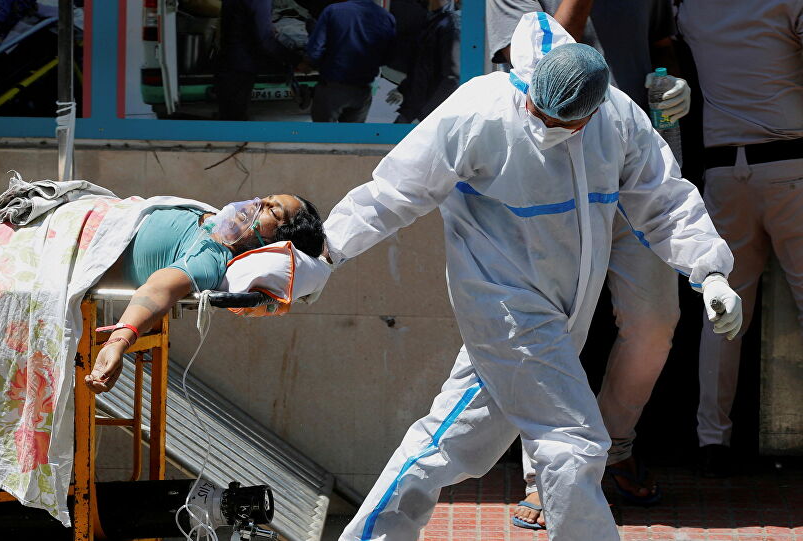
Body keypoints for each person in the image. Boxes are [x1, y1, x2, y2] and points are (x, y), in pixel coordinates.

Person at [322, 13, 741, 541]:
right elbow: (393, 193)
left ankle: (369, 536)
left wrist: (711, 272)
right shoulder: (479, 110)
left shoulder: (618, 117)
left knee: (446, 443)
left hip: (563, 314)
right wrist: (326, 251)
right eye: (538, 111)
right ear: (527, 81)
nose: (546, 126)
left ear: (591, 116)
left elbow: (664, 200)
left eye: (563, 122)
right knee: (574, 439)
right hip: (502, 305)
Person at [486, 0, 693, 527]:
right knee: (548, 326)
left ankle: (614, 445)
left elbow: (661, 51)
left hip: (636, 170)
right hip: (553, 176)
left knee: (654, 325)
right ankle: (550, 475)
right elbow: (532, 65)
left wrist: (674, 90)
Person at [675, 0, 803, 478]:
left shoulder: (691, 10)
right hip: (792, 163)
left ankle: (713, 439)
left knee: (723, 310)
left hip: (725, 170)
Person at [86, 195, 325, 393]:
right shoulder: (215, 222)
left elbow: (158, 289)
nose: (257, 204)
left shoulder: (209, 259)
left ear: (273, 242)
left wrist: (117, 342)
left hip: (76, 236)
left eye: (272, 212)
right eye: (266, 199)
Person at [299, 0, 396, 122]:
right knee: (352, 138)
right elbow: (389, 57)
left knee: (323, 137)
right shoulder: (386, 17)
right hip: (362, 91)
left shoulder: (333, 11)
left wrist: (311, 64)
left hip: (332, 87)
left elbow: (314, 50)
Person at [216, 0, 298, 120]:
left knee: (230, 118)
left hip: (229, 63)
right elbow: (266, 40)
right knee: (235, 121)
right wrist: (296, 60)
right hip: (241, 68)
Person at [388, 0, 460, 123]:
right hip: (414, 108)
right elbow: (420, 66)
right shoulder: (431, 21)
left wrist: (427, 115)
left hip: (425, 112)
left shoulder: (448, 25)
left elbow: (452, 77)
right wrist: (403, 89)